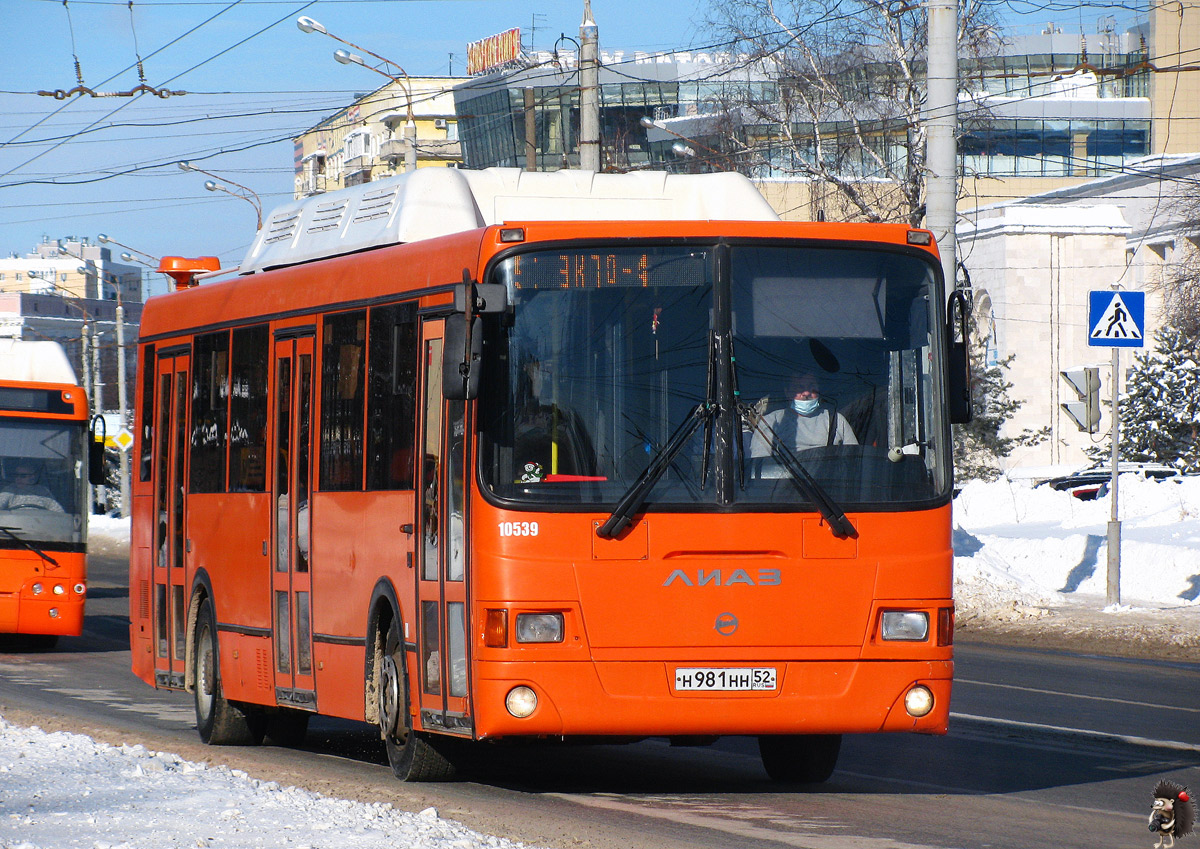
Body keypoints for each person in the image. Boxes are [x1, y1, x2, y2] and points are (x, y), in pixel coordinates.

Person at [748, 372, 857, 465]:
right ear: (787, 392)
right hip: (783, 486)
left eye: (811, 387)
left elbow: (854, 460)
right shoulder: (770, 422)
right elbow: (759, 466)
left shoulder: (837, 421)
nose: (806, 393)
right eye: (799, 388)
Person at [0, 460, 65, 513]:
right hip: (15, 526)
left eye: (23, 476)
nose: (18, 478)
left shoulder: (43, 492)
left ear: (32, 477)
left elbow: (59, 512)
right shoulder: (9, 490)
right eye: (16, 475)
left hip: (41, 526)